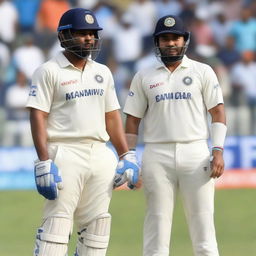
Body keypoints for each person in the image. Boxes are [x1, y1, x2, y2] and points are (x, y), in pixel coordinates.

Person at [26, 8, 139, 256]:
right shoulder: (48, 71)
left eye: (92, 34)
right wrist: (44, 161)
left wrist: (126, 155)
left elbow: (111, 116)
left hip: (100, 154)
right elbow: (38, 115)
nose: (89, 38)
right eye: (81, 33)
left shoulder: (102, 72)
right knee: (56, 227)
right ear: (64, 36)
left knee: (97, 227)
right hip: (65, 153)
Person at [114, 15, 227, 256]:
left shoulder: (202, 71)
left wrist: (217, 150)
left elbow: (217, 113)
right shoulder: (144, 75)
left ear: (184, 40)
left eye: (175, 38)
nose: (171, 43)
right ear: (157, 42)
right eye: (165, 39)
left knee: (204, 228)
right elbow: (132, 120)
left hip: (195, 152)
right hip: (157, 154)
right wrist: (130, 157)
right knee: (157, 226)